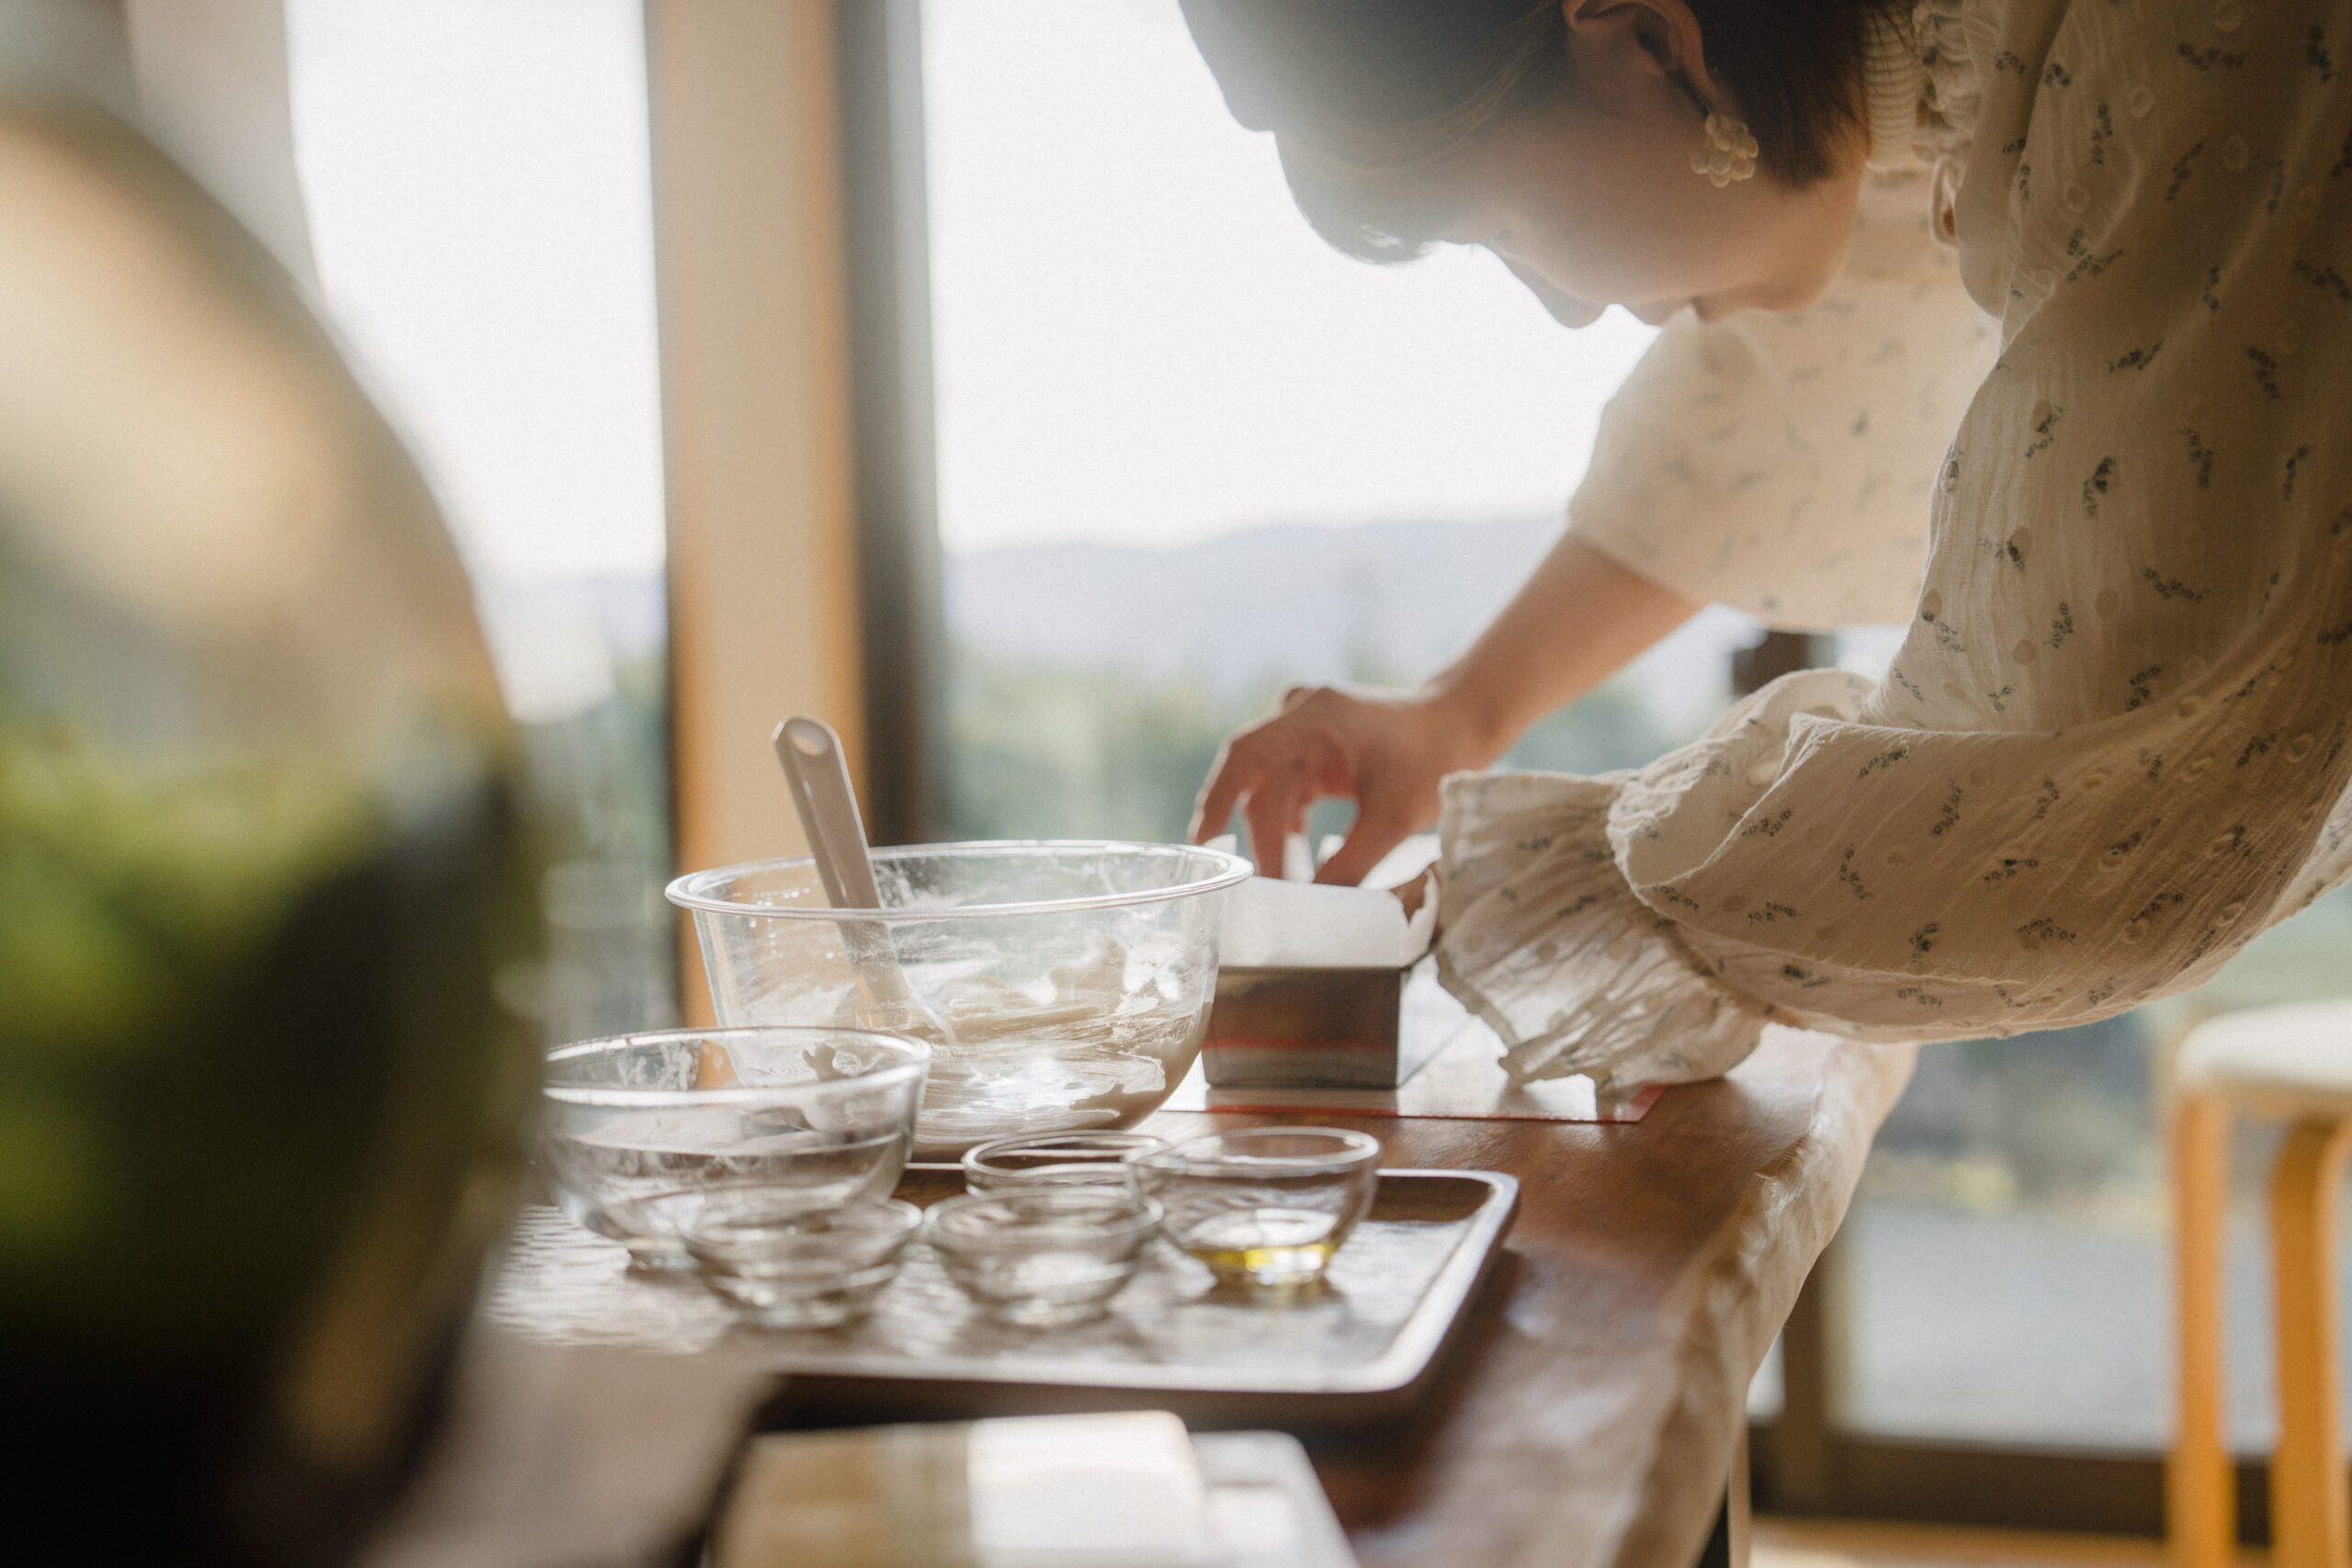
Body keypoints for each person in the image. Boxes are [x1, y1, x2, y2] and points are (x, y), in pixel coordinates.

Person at [1182, 0, 2352, 1089]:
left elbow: (2113, 766)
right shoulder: (1955, 63)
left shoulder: (2161, 49)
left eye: (1500, 232)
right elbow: (1785, 413)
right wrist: (1459, 713)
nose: (1567, 308)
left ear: (1644, 37)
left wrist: (1574, 895)